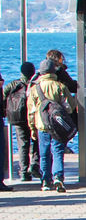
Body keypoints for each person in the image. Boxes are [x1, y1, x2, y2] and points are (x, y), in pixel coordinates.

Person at [27, 59, 77, 193]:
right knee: (58, 151)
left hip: (42, 125)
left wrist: (32, 128)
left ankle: (45, 181)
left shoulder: (35, 88)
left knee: (44, 153)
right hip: (58, 125)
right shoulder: (60, 86)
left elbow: (31, 111)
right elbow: (69, 107)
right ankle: (58, 178)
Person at [3, 62, 40, 183]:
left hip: (18, 118)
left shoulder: (13, 84)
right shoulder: (36, 84)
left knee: (22, 144)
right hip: (33, 117)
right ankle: (34, 164)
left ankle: (24, 172)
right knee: (35, 141)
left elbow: (3, 96)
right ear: (33, 72)